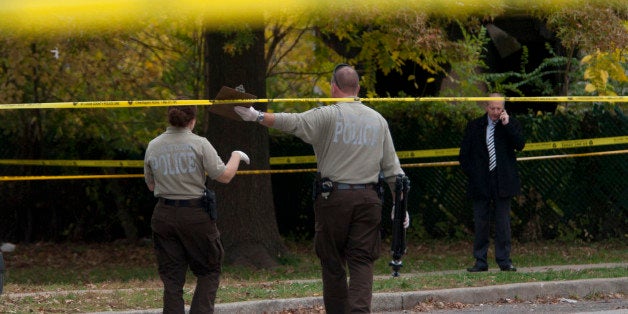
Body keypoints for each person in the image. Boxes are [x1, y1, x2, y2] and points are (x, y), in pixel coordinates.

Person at [234, 63, 409, 313]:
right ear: (358, 88)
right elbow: (393, 169)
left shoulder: (327, 115)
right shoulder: (378, 121)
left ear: (333, 88)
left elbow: (292, 122)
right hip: (369, 200)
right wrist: (401, 207)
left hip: (334, 199)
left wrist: (256, 116)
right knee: (362, 262)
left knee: (332, 261)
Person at [144, 105, 250, 313]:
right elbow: (224, 176)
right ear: (192, 121)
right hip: (195, 215)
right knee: (210, 268)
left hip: (163, 215)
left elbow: (151, 185)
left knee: (172, 278)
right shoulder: (199, 144)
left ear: (170, 119)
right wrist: (236, 155)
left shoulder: (153, 145)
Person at [459, 93, 525, 272]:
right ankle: (480, 261)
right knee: (481, 222)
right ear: (486, 107)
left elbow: (520, 144)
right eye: (493, 108)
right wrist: (474, 174)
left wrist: (507, 124)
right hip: (481, 182)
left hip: (503, 181)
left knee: (503, 223)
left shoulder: (510, 124)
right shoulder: (474, 126)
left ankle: (504, 260)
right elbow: (464, 155)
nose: (496, 112)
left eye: (499, 108)